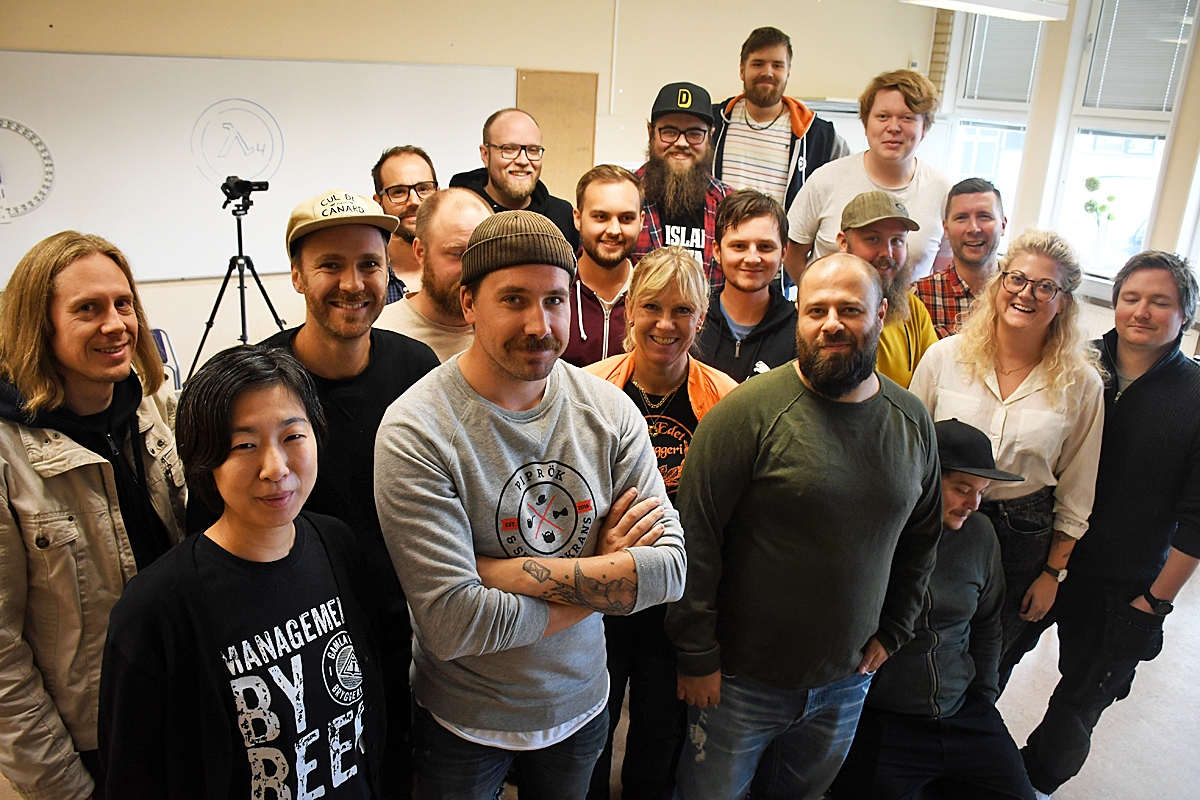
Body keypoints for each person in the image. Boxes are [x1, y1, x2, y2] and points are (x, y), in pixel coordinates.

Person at [374, 210, 686, 800]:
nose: (539, 325)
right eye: (514, 299)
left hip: (581, 706)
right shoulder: (416, 430)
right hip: (462, 720)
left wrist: (498, 573)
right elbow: (453, 624)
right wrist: (603, 575)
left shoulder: (608, 412)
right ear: (469, 303)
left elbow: (667, 572)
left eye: (554, 300)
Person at [665, 252, 943, 800]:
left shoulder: (912, 422)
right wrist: (696, 655)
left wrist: (896, 629)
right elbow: (697, 540)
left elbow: (921, 538)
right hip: (738, 682)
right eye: (817, 310)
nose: (831, 323)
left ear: (881, 314)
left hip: (847, 680)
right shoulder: (745, 414)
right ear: (799, 316)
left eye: (850, 309)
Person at [100, 346, 398, 798]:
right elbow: (134, 779)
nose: (275, 468)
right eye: (245, 445)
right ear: (205, 458)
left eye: (293, 436)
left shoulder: (335, 544)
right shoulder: (154, 609)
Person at [1000, 251, 1200, 798]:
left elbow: (1196, 522)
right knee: (986, 669)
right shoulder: (1070, 363)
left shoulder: (1195, 396)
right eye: (1131, 298)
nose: (1142, 311)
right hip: (1039, 563)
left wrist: (1153, 603)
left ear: (1185, 314)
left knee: (1077, 711)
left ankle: (1033, 785)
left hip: (1124, 587)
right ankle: (962, 765)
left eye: (1160, 302)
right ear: (1114, 303)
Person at [262, 188, 440, 794]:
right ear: (296, 276)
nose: (353, 284)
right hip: (302, 644)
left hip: (406, 633)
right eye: (330, 266)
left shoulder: (416, 369)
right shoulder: (261, 384)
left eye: (369, 264)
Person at [0, 231, 186, 800]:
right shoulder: (8, 456)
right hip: (91, 741)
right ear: (39, 324)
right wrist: (63, 786)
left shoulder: (152, 408)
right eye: (87, 309)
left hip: (179, 707)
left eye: (123, 303)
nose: (115, 324)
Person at [584, 246, 737, 800]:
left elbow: (731, 518)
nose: (665, 324)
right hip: (600, 589)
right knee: (591, 729)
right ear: (629, 309)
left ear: (702, 317)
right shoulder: (590, 389)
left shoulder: (726, 400)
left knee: (659, 733)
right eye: (651, 306)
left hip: (678, 597)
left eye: (682, 310)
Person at [910, 228, 1105, 657]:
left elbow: (1077, 489)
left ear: (1063, 302)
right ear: (1000, 282)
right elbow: (911, 452)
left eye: (1045, 286)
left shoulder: (1081, 384)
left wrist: (1052, 574)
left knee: (991, 659)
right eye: (1017, 279)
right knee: (919, 647)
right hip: (941, 520)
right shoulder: (946, 357)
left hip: (1022, 535)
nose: (1026, 293)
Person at [831, 418, 1035, 800]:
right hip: (887, 723)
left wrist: (984, 695)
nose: (974, 504)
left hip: (964, 714)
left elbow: (987, 623)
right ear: (923, 478)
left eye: (981, 492)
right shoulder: (876, 533)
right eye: (962, 490)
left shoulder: (981, 535)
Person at [785, 69, 952, 284]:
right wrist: (816, 294)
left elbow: (943, 268)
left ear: (925, 128)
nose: (893, 128)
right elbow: (791, 254)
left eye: (907, 118)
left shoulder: (943, 191)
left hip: (907, 306)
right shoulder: (825, 180)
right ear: (865, 123)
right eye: (883, 117)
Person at [710, 26, 849, 209]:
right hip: (718, 228)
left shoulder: (818, 136)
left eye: (777, 65)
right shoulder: (711, 122)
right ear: (742, 70)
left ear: (788, 73)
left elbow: (851, 181)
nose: (767, 72)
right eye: (758, 64)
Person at [631, 82, 733, 288]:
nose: (681, 143)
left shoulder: (729, 205)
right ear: (650, 132)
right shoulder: (625, 196)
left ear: (710, 136)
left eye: (694, 133)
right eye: (669, 132)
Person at [375, 188, 493, 362]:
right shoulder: (379, 335)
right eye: (457, 254)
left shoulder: (510, 330)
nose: (473, 267)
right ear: (421, 252)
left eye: (483, 253)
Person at [836, 191, 937, 388]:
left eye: (897, 241)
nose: (887, 253)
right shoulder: (820, 310)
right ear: (843, 242)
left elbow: (934, 382)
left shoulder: (913, 311)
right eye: (873, 239)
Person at [695, 189, 797, 382]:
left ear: (783, 253)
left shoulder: (800, 332)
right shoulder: (691, 322)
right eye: (739, 246)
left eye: (765, 247)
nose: (752, 258)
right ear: (717, 251)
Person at [449, 107, 578, 248]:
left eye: (532, 150)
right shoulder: (458, 213)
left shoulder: (561, 216)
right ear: (485, 155)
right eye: (509, 149)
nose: (523, 161)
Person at [562, 165, 643, 367]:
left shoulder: (655, 293)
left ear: (641, 221)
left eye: (626, 218)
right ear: (578, 218)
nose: (614, 230)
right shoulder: (552, 289)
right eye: (601, 217)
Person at [912, 178, 1008, 338]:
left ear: (1003, 225)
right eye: (961, 218)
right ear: (946, 229)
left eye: (984, 216)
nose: (973, 229)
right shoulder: (920, 297)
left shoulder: (1021, 293)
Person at [371, 145, 440, 301]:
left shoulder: (463, 270)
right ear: (379, 202)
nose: (414, 201)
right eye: (399, 192)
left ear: (438, 193)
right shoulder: (366, 280)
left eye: (423, 189)